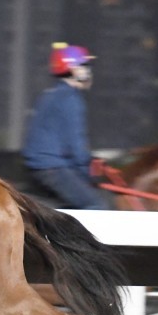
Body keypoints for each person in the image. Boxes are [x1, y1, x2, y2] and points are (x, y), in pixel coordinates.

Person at [21, 42, 108, 210]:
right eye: (84, 66)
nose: (89, 71)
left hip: (38, 166)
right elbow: (75, 146)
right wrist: (88, 173)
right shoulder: (72, 99)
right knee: (96, 204)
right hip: (52, 167)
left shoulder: (50, 95)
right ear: (73, 69)